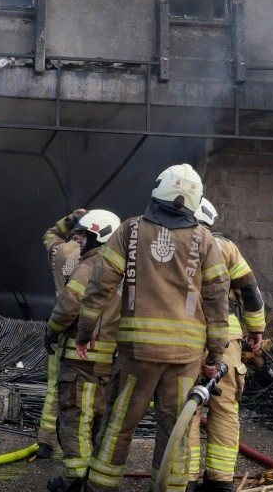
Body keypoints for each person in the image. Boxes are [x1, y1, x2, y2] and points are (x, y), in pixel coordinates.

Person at [74, 164, 230, 492]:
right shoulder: (204, 240)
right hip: (185, 357)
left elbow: (99, 287)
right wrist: (215, 354)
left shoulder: (130, 231)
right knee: (175, 432)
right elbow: (218, 301)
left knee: (118, 426)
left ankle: (99, 487)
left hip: (136, 355)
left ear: (158, 189)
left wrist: (84, 332)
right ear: (194, 200)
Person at [186, 199, 266, 492]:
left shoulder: (174, 244)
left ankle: (187, 479)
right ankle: (220, 481)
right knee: (224, 407)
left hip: (186, 337)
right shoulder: (226, 247)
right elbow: (249, 291)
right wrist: (256, 328)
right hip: (227, 340)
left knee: (187, 408)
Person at [43, 209, 123, 492]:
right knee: (97, 419)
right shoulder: (121, 266)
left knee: (74, 417)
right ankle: (91, 476)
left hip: (80, 358)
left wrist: (51, 329)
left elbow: (69, 305)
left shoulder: (90, 266)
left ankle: (74, 479)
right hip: (107, 361)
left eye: (83, 235)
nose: (78, 241)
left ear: (96, 237)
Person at [37, 207, 88, 457]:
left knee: (54, 387)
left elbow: (49, 235)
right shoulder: (99, 259)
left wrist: (69, 219)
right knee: (83, 392)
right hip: (87, 335)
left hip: (59, 329)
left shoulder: (61, 252)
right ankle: (78, 445)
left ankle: (46, 441)